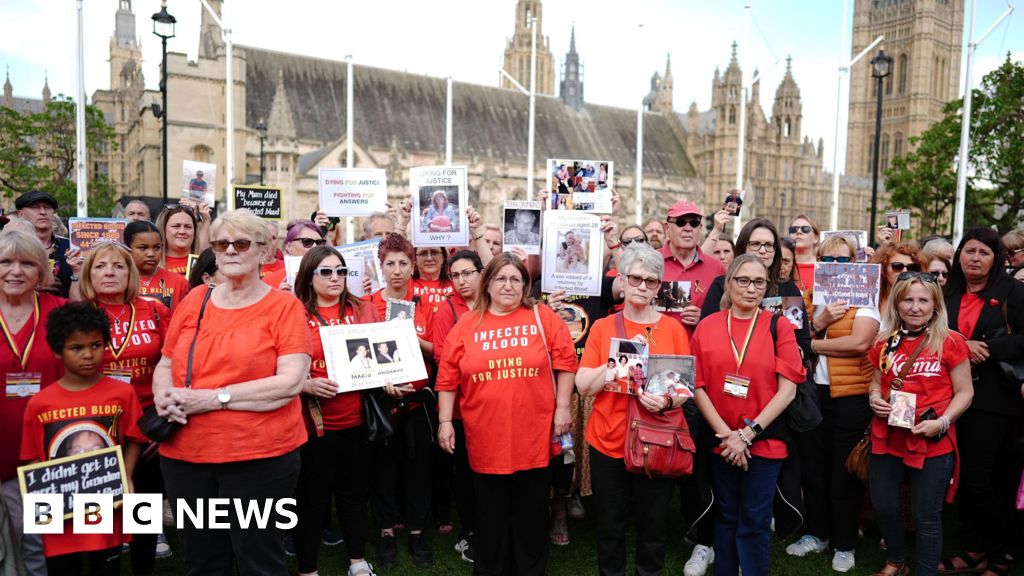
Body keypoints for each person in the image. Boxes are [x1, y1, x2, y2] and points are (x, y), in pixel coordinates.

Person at [151, 209, 311, 575]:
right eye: (222, 244)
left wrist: (213, 398)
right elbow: (165, 363)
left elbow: (288, 382)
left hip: (259, 458)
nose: (231, 251)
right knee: (203, 558)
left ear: (265, 251)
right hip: (186, 457)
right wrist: (163, 396)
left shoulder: (284, 307)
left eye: (241, 243)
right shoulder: (195, 301)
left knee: (258, 557)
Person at [436, 252, 576, 576]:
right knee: (491, 519)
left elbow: (566, 362)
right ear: (487, 284)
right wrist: (445, 421)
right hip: (485, 439)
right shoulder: (467, 324)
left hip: (534, 438)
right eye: (501, 278)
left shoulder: (542, 317)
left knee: (530, 518)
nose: (508, 285)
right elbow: (447, 378)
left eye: (516, 279)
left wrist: (564, 408)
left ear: (525, 285)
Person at [574, 244, 692, 576]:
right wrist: (611, 369)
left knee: (652, 527)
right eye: (636, 278)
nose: (642, 286)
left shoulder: (673, 329)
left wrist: (667, 400)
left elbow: (683, 388)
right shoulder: (602, 327)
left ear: (659, 286)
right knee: (610, 526)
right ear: (622, 281)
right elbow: (583, 385)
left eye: (651, 281)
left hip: (655, 440)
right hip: (608, 441)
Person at [690, 254, 805, 576]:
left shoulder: (778, 325)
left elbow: (788, 390)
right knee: (726, 517)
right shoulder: (707, 326)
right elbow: (697, 386)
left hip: (765, 442)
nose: (751, 288)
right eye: (743, 280)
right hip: (721, 442)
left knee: (754, 521)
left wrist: (746, 434)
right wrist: (729, 437)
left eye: (759, 282)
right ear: (729, 283)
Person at [20, 301, 145, 575]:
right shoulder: (40, 404)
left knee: (107, 567)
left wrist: (127, 478)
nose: (88, 355)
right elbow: (31, 457)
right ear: (57, 350)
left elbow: (136, 438)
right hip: (59, 511)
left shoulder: (122, 394)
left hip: (107, 505)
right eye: (76, 348)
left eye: (96, 345)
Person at [866, 271, 973, 576]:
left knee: (926, 514)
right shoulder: (884, 341)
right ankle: (896, 561)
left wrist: (942, 422)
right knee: (884, 505)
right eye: (908, 300)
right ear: (897, 305)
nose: (915, 307)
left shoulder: (950, 341)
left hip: (931, 438)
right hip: (887, 435)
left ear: (935, 305)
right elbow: (875, 382)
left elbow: (965, 392)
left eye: (923, 300)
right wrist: (874, 397)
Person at [786, 235, 880, 572]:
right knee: (813, 469)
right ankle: (817, 533)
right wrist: (820, 323)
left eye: (843, 260)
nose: (837, 267)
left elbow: (859, 343)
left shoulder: (865, 298)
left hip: (850, 397)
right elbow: (788, 339)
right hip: (812, 394)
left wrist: (811, 344)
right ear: (820, 263)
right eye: (830, 260)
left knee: (843, 473)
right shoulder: (808, 299)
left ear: (854, 263)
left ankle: (844, 544)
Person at [939, 228, 1024, 576]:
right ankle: (973, 550)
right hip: (950, 396)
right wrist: (961, 343)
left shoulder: (1014, 292)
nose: (975, 257)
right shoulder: (947, 292)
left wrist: (985, 349)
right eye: (969, 250)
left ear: (997, 259)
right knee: (959, 478)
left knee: (980, 478)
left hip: (993, 400)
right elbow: (932, 329)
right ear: (959, 255)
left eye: (983, 252)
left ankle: (998, 555)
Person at [292, 245, 379, 576]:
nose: (335, 277)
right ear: (309, 277)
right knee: (311, 498)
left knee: (354, 494)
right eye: (326, 271)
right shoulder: (294, 312)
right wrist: (305, 384)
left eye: (341, 271)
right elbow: (277, 364)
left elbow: (379, 356)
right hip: (311, 424)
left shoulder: (363, 309)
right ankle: (308, 568)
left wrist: (388, 377)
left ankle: (357, 561)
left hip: (356, 421)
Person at [366, 233, 436, 569]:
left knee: (419, 470)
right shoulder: (368, 304)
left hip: (418, 402)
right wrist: (384, 382)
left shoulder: (424, 303)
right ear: (381, 267)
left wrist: (412, 335)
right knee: (383, 471)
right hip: (382, 400)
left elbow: (440, 350)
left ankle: (418, 531)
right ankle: (385, 533)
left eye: (403, 263)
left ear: (412, 267)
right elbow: (359, 353)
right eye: (390, 264)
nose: (396, 270)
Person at [0, 230, 67, 576]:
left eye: (27, 263)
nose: (15, 271)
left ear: (41, 270)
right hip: (2, 445)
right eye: (5, 262)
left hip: (48, 451)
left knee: (38, 542)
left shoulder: (65, 314)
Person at [429, 250, 483, 563]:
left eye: (467, 273)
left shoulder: (496, 304)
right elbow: (442, 359)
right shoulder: (447, 310)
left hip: (492, 407)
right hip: (461, 409)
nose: (461, 281)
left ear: (480, 273)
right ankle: (469, 531)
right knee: (464, 473)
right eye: (456, 275)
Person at [659, 200, 726, 329]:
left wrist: (705, 317)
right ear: (667, 228)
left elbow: (727, 313)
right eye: (680, 222)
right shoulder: (649, 261)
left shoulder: (717, 267)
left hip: (699, 346)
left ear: (700, 228)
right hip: (660, 346)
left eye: (694, 223)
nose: (688, 228)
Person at [15, 190, 73, 296]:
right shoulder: (9, 248)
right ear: (21, 214)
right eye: (35, 207)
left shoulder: (72, 247)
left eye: (47, 207)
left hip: (65, 309)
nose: (43, 212)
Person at [125, 220, 191, 312]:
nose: (151, 254)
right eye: (143, 248)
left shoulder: (179, 282)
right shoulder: (119, 281)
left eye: (157, 248)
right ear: (127, 249)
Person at [262, 219, 327, 289]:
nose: (315, 246)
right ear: (289, 247)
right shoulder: (270, 281)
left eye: (319, 242)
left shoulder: (332, 276)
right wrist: (279, 296)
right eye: (307, 242)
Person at [872, 242, 928, 315]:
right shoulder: (871, 299)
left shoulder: (924, 301)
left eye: (911, 268)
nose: (905, 271)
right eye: (897, 266)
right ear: (883, 269)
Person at [155, 203, 208, 277]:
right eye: (176, 226)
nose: (182, 231)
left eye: (188, 227)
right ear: (163, 229)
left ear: (195, 231)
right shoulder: (152, 263)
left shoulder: (205, 263)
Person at [789, 214, 820, 293]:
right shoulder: (780, 266)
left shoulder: (825, 267)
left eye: (805, 229)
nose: (798, 232)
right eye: (794, 229)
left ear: (816, 238)